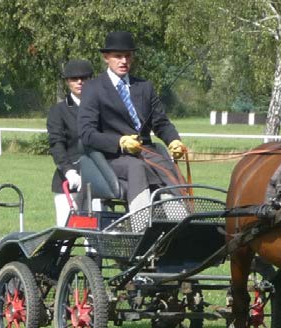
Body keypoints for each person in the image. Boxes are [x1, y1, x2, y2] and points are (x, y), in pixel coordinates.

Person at [78, 31, 188, 228]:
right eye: (118, 56)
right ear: (106, 58)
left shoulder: (144, 87)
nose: (123, 61)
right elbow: (87, 134)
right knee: (136, 167)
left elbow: (161, 122)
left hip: (146, 153)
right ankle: (141, 227)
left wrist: (174, 140)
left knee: (167, 166)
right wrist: (120, 143)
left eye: (127, 56)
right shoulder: (93, 89)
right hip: (112, 158)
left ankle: (182, 224)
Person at [47, 59, 100, 226]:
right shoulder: (58, 111)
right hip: (69, 180)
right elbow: (57, 144)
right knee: (65, 232)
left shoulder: (100, 109)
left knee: (95, 233)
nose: (79, 82)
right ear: (67, 82)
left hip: (97, 179)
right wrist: (68, 170)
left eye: (84, 78)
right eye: (74, 78)